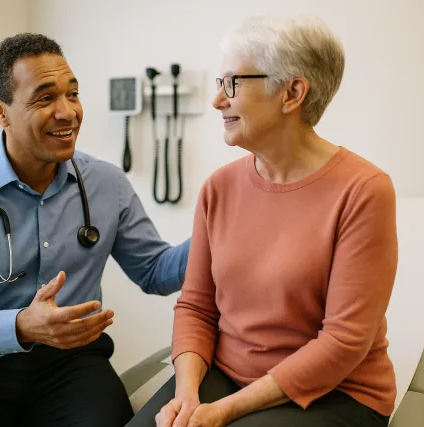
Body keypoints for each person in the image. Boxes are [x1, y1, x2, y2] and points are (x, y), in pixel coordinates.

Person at [0, 33, 190, 427]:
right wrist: (21, 325)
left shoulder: (107, 184)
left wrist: (219, 231)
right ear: (0, 110)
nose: (68, 112)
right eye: (45, 98)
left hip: (72, 365)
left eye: (72, 94)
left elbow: (155, 271)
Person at [127, 15, 398, 427]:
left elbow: (344, 342)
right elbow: (197, 307)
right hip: (224, 377)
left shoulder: (364, 191)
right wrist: (187, 395)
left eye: (232, 84)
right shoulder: (218, 189)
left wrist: (223, 411)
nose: (217, 100)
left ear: (292, 92)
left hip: (335, 393)